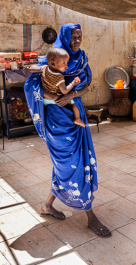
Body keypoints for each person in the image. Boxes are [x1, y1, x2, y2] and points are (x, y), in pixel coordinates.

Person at [25, 23, 111, 237]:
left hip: (74, 114)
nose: (77, 40)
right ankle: (90, 216)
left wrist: (71, 95)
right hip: (57, 120)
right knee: (70, 164)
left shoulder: (81, 59)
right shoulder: (50, 61)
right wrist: (55, 97)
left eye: (80, 36)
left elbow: (86, 85)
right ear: (65, 37)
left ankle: (47, 206)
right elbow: (31, 88)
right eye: (73, 36)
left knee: (73, 162)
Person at [40, 47, 85, 127]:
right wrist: (73, 83)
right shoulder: (59, 78)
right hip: (57, 100)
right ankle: (77, 119)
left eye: (67, 62)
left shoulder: (44, 68)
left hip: (44, 100)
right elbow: (64, 91)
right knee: (75, 101)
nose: (67, 66)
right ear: (53, 63)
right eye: (64, 63)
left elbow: (33, 70)